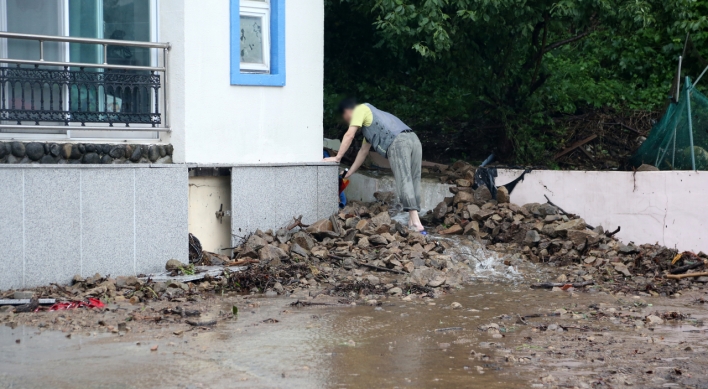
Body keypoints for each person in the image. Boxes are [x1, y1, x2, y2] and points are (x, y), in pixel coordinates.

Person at [323, 98, 425, 234]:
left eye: (345, 117)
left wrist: (337, 157)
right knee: (413, 179)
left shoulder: (360, 109)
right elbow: (363, 152)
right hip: (414, 139)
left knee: (404, 179)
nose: (347, 121)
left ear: (348, 111)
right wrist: (350, 172)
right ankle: (413, 221)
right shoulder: (372, 123)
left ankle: (416, 223)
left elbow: (349, 135)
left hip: (399, 143)